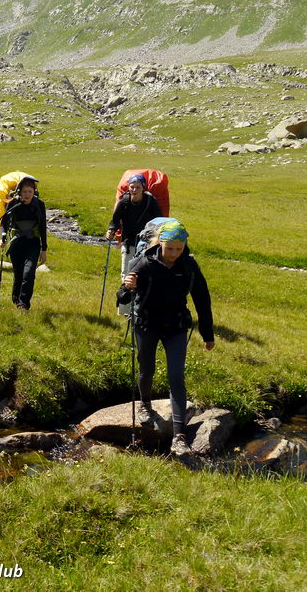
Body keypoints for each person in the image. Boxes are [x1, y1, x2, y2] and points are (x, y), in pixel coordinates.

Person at [117, 220, 215, 457]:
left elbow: (203, 300)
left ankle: (179, 436)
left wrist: (208, 334)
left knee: (176, 376)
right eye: (170, 248)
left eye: (179, 249)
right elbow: (122, 297)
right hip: (146, 325)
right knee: (146, 369)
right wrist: (127, 287)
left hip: (176, 327)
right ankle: (145, 404)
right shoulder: (143, 262)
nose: (174, 254)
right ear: (160, 243)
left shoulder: (189, 265)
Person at [106, 174, 162, 315]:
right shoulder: (124, 202)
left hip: (147, 245)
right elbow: (115, 221)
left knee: (144, 276)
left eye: (138, 187)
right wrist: (111, 230)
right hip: (128, 243)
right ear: (128, 188)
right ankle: (125, 311)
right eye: (132, 187)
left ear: (143, 188)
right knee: (127, 275)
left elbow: (159, 221)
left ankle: (140, 308)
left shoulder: (151, 202)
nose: (134, 189)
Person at [0, 176, 47, 310]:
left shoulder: (39, 204)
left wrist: (44, 249)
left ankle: (23, 304)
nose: (27, 194)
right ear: (20, 192)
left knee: (29, 273)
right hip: (17, 243)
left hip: (33, 242)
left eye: (30, 191)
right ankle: (16, 299)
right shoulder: (13, 203)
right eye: (24, 192)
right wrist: (2, 237)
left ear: (34, 192)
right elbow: (4, 223)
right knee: (19, 273)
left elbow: (43, 227)